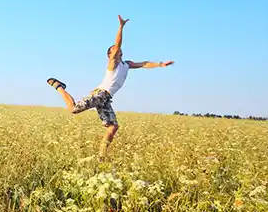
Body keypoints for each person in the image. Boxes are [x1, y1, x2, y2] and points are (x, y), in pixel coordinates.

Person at [47, 15, 173, 159]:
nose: (117, 50)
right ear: (110, 55)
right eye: (114, 50)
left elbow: (144, 64)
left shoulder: (127, 64)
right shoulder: (112, 64)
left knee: (113, 127)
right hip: (100, 94)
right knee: (73, 109)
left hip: (106, 99)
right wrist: (121, 27)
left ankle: (101, 156)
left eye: (118, 50)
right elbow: (118, 44)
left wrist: (160, 64)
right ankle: (59, 87)